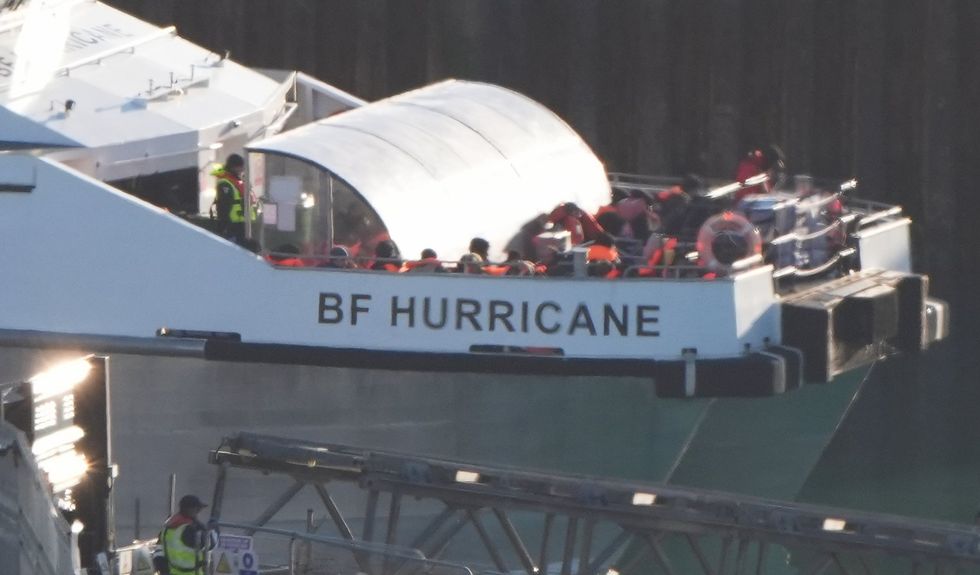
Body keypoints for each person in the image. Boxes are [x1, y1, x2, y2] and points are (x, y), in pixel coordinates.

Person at [154, 494, 216, 575]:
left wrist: (163, 570)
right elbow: (210, 544)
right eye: (197, 509)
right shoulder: (189, 529)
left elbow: (159, 549)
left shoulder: (169, 525)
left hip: (173, 571)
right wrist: (214, 529)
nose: (199, 511)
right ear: (188, 509)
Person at [211, 153, 256, 244]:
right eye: (240, 167)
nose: (242, 169)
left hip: (244, 224)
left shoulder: (240, 181)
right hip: (233, 225)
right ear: (233, 167)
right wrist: (223, 226)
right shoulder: (225, 183)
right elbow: (224, 206)